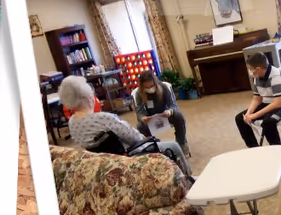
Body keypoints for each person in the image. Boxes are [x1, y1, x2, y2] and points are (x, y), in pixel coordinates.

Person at [58, 75, 192, 175]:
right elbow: (134, 138)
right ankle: (188, 178)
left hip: (104, 161)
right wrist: (143, 137)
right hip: (128, 154)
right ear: (88, 97)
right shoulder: (103, 118)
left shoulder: (72, 123)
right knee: (173, 146)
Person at [235, 52, 281, 147]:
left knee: (268, 121)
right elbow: (257, 98)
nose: (249, 71)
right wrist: (249, 113)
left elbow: (277, 104)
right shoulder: (257, 76)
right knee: (240, 118)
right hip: (271, 102)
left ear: (257, 69)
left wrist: (254, 115)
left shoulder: (277, 77)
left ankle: (276, 150)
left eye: (250, 69)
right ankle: (254, 148)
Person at [132, 70, 190, 156]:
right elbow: (139, 111)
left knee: (179, 116)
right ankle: (153, 148)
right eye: (146, 88)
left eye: (151, 86)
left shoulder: (163, 87)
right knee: (140, 126)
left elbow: (173, 105)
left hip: (165, 114)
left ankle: (182, 143)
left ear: (155, 82)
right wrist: (143, 117)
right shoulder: (138, 93)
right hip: (150, 118)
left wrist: (169, 111)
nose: (149, 89)